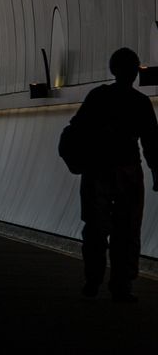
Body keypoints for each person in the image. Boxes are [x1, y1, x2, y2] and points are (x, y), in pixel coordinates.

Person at [66, 48, 158, 302]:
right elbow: (151, 142)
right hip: (129, 172)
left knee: (96, 228)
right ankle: (122, 284)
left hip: (97, 171)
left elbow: (78, 128)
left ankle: (93, 279)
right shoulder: (140, 103)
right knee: (127, 230)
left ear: (112, 69)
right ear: (136, 72)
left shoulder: (98, 97)